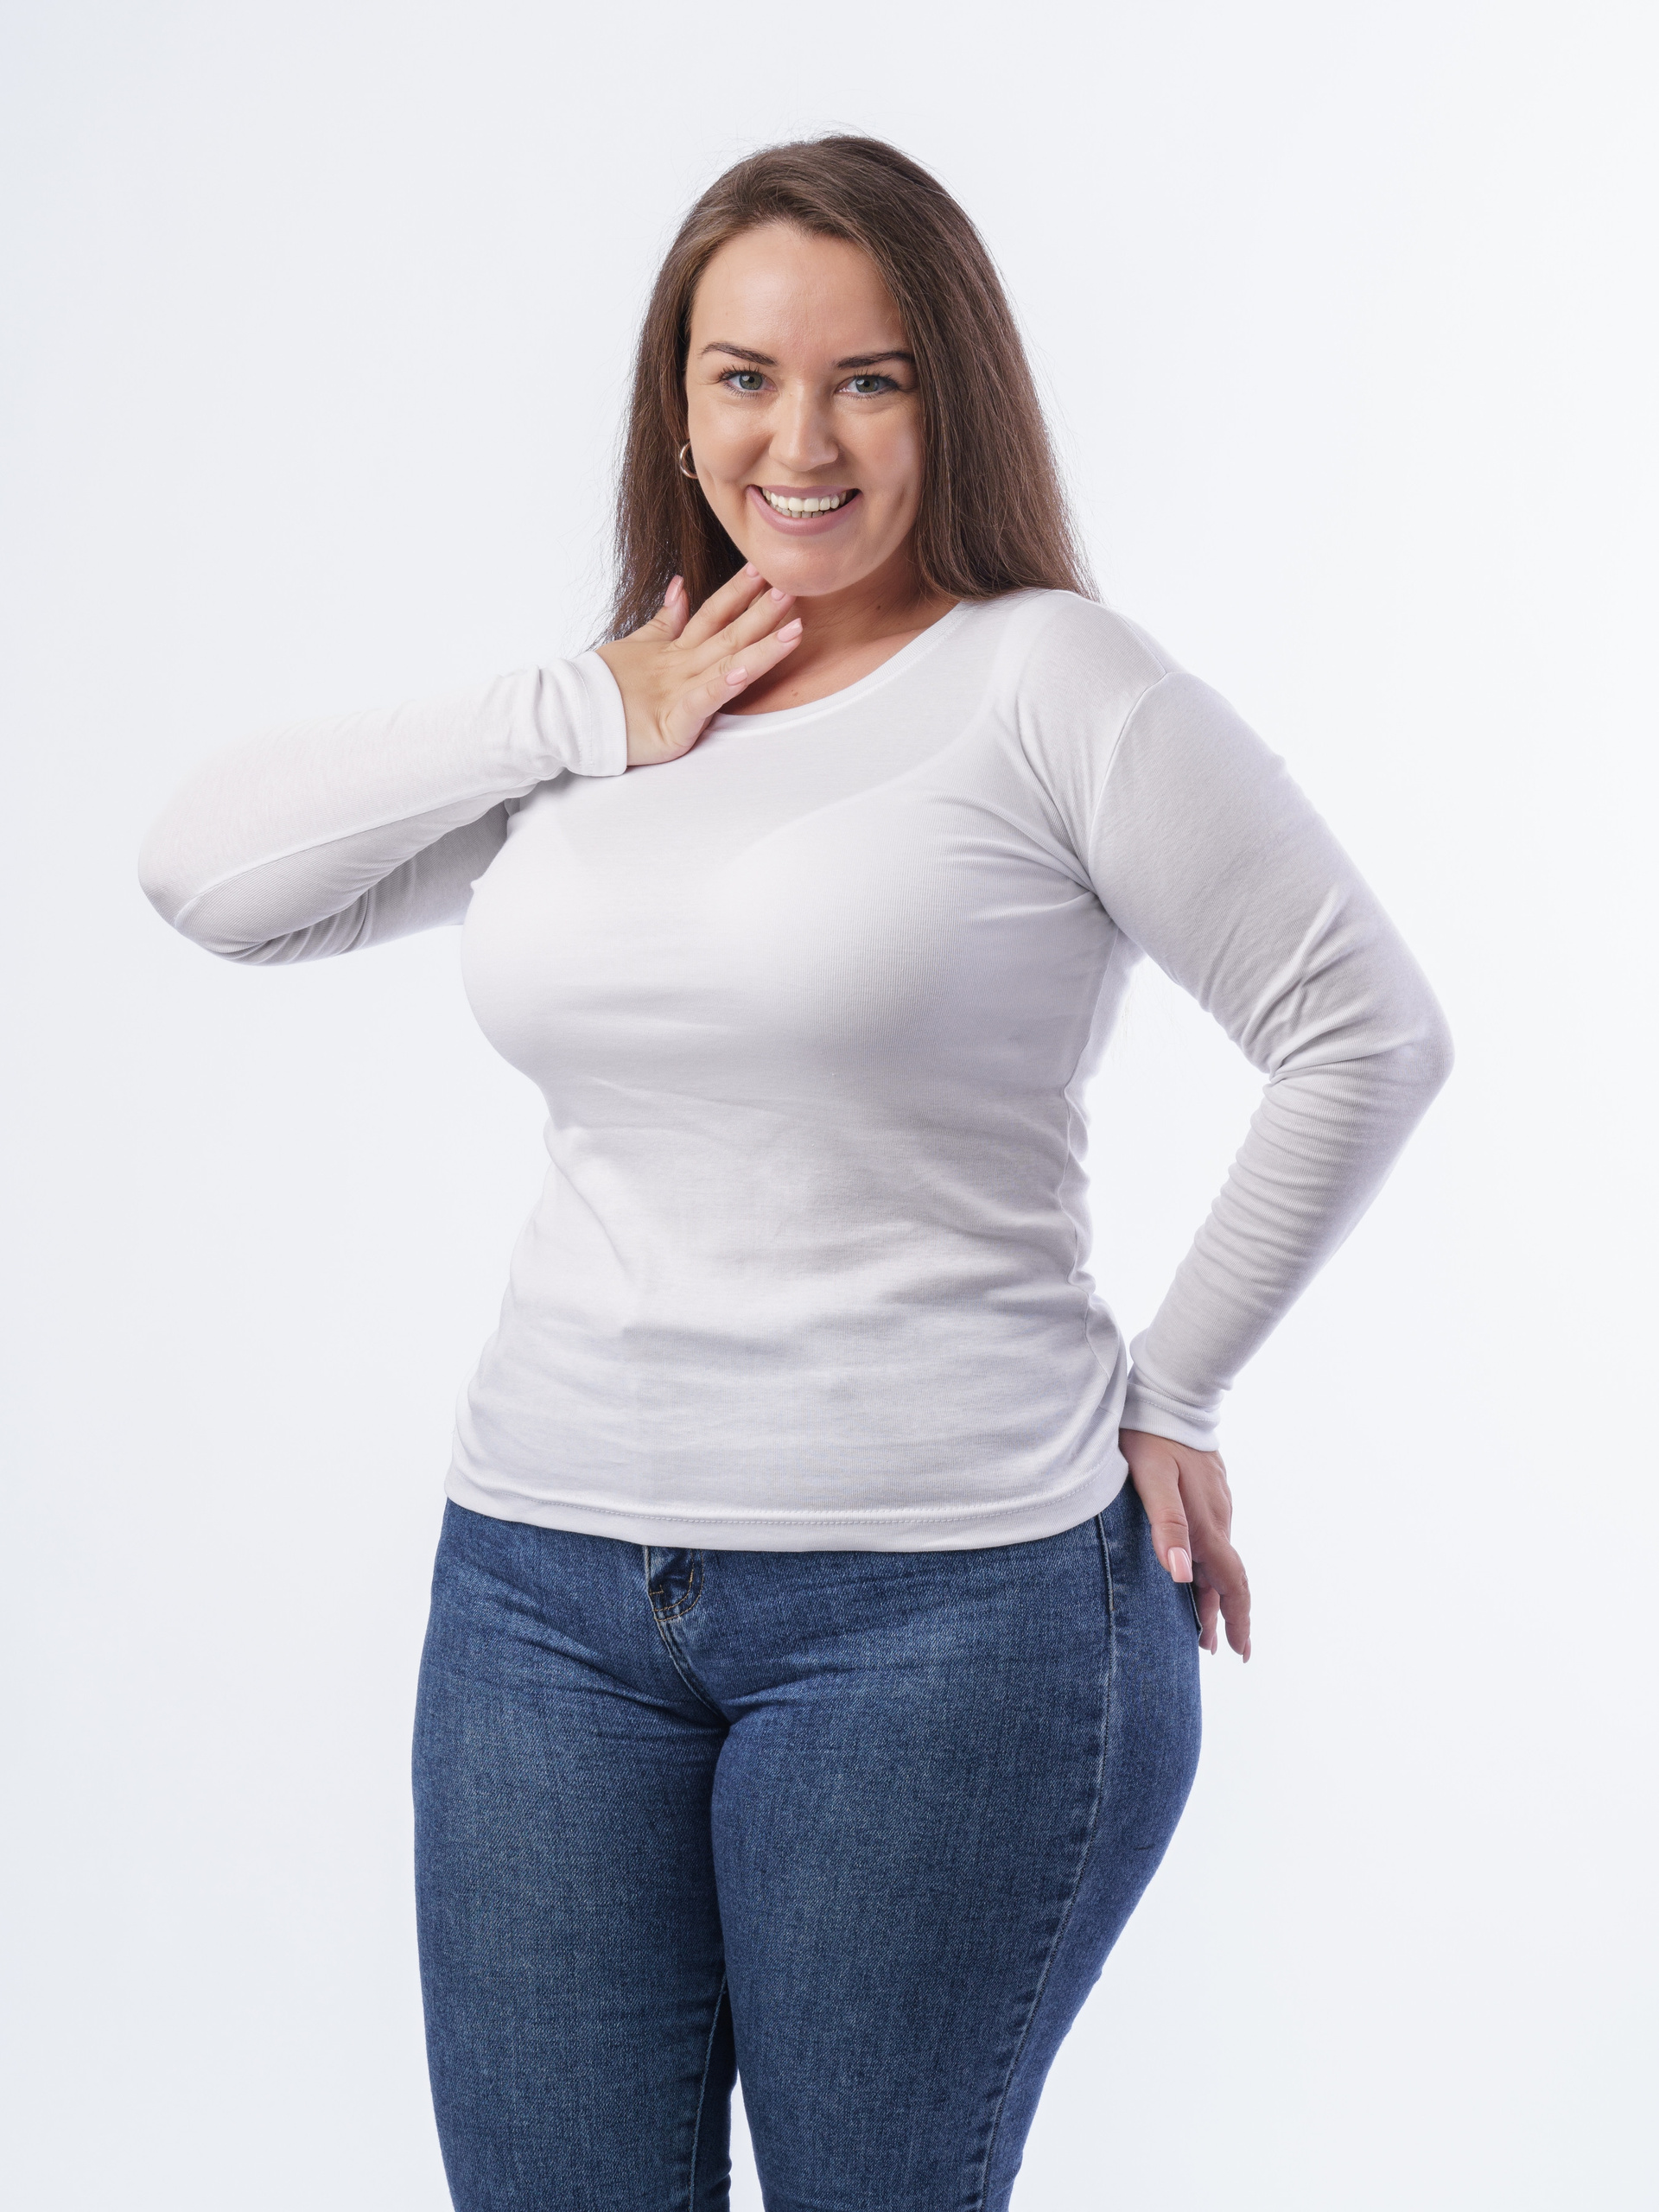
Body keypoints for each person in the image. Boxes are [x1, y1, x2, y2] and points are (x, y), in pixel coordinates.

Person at [138, 134, 1452, 2212]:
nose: (802, 440)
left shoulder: (1050, 683)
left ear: (955, 398)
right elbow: (210, 878)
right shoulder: (614, 723)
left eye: (871, 379)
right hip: (540, 1593)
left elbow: (1365, 1029)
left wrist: (1177, 1386)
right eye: (744, 376)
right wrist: (587, 699)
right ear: (677, 409)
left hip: (945, 1609)